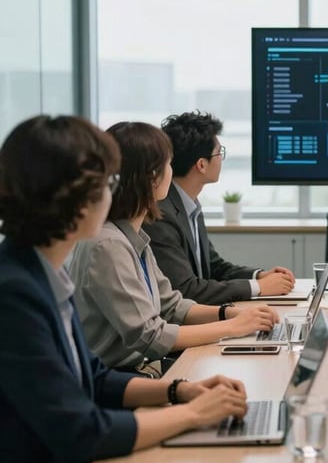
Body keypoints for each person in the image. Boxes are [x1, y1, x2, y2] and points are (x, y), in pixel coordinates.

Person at [0, 115, 248, 463]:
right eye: (106, 182)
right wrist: (195, 416)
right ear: (72, 196)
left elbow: (93, 379)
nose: (113, 193)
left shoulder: (41, 273)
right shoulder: (15, 293)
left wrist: (181, 391)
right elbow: (82, 431)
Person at [69, 121, 279, 370]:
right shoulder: (109, 245)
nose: (172, 170)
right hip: (120, 379)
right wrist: (233, 327)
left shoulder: (133, 239)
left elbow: (172, 306)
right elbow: (151, 337)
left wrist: (230, 314)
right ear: (151, 177)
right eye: (168, 163)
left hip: (141, 369)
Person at [143, 111, 295, 304]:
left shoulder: (189, 205)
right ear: (201, 165)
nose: (221, 159)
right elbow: (186, 289)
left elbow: (214, 267)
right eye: (219, 153)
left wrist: (259, 276)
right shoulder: (161, 215)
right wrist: (259, 288)